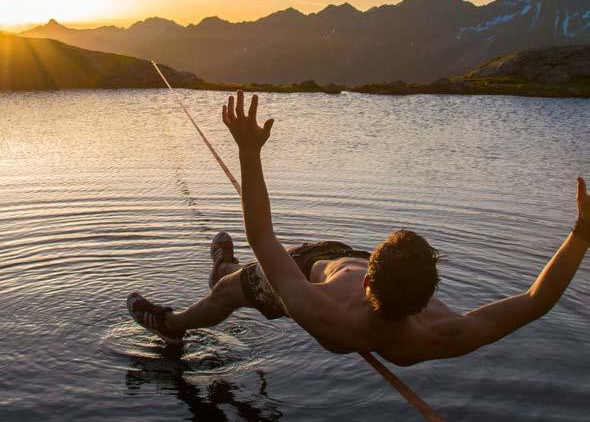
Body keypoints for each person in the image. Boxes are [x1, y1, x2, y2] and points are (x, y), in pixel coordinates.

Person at [127, 90, 590, 364]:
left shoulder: (325, 313)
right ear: (428, 294)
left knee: (231, 288)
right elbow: (536, 301)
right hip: (336, 255)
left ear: (370, 275)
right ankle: (224, 265)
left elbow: (264, 238)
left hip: (311, 271)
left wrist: (249, 152)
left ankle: (174, 322)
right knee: (251, 266)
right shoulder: (443, 330)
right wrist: (581, 235)